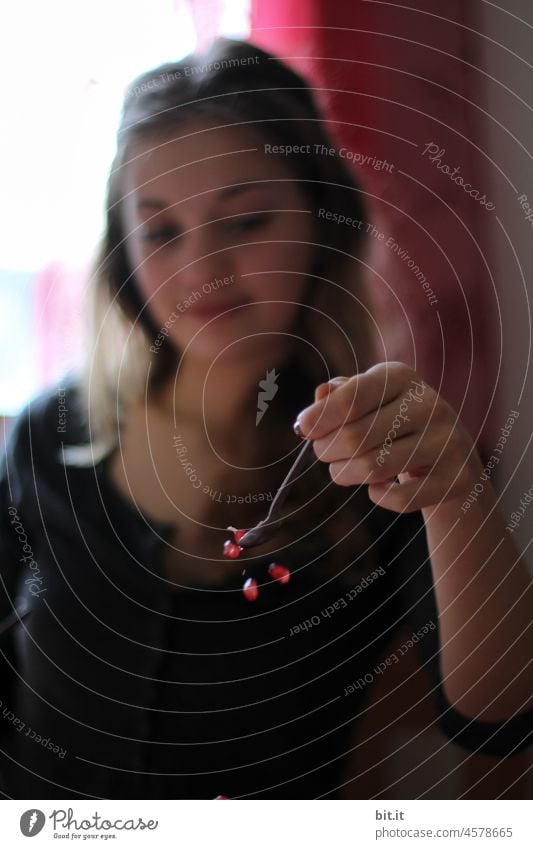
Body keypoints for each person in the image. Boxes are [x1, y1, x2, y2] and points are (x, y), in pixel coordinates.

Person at [0, 38, 532, 800]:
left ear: (323, 223)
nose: (200, 269)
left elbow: (502, 723)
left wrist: (455, 502)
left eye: (244, 221)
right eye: (159, 231)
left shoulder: (393, 456)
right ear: (121, 254)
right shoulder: (50, 435)